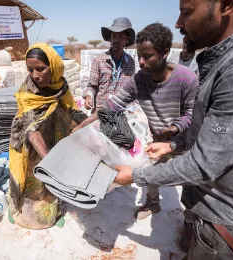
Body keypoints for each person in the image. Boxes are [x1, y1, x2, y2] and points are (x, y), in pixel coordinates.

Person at [113, 0, 233, 259]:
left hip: (232, 222)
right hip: (219, 217)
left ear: (226, 4)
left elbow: (204, 164)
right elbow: (219, 138)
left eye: (187, 12)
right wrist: (173, 146)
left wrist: (135, 176)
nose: (178, 23)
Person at [73, 23, 199, 220]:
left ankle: (191, 221)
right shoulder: (140, 80)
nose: (140, 62)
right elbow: (112, 105)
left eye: (147, 56)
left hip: (184, 142)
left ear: (164, 53)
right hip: (158, 140)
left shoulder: (186, 78)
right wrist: (82, 126)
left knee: (192, 186)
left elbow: (193, 114)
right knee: (152, 174)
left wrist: (172, 130)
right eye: (139, 55)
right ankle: (152, 203)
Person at [8, 43, 87, 230]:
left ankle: (52, 212)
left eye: (41, 69)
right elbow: (30, 129)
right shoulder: (28, 91)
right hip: (31, 148)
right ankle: (21, 212)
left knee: (52, 183)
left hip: (54, 139)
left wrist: (87, 123)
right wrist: (48, 159)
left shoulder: (61, 85)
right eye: (30, 69)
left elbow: (70, 109)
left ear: (54, 67)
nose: (35, 75)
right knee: (32, 182)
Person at [83, 17, 136, 113]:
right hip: (101, 110)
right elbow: (92, 86)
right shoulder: (98, 61)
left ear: (127, 40)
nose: (116, 40)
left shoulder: (130, 62)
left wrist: (131, 106)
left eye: (121, 37)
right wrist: (88, 96)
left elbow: (131, 88)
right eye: (114, 36)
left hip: (121, 110)